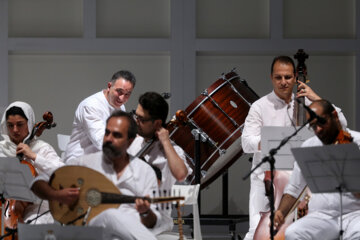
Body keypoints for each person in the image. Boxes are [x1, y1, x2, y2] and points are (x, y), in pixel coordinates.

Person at [241, 56, 348, 240]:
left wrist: (316, 98)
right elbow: (247, 142)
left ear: (295, 79)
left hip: (301, 182)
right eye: (278, 77)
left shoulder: (308, 104)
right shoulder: (259, 107)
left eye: (288, 77)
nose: (283, 82)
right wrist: (275, 141)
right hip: (267, 182)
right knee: (255, 233)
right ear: (271, 78)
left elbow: (342, 125)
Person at [32, 110, 161, 240]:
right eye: (107, 133)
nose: (109, 139)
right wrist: (56, 195)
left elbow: (151, 223)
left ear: (130, 141)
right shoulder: (84, 163)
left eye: (116, 135)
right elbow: (38, 183)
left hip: (127, 236)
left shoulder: (145, 172)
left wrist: (145, 212)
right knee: (110, 215)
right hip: (92, 231)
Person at [273, 99, 360, 240]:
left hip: (355, 214)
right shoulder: (309, 146)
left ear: (334, 116)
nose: (318, 129)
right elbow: (294, 187)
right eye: (313, 126)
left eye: (321, 122)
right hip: (322, 216)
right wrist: (281, 212)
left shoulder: (357, 141)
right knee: (294, 233)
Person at [127, 92, 192, 237]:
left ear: (156, 123)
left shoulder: (172, 151)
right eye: (135, 115)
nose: (136, 121)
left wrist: (165, 141)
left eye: (141, 119)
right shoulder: (134, 143)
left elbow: (181, 174)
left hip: (156, 225)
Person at [0, 101, 63, 224]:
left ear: (29, 124)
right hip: (5, 205)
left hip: (35, 206)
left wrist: (34, 156)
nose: (15, 130)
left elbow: (63, 172)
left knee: (35, 224)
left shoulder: (42, 148)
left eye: (20, 124)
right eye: (10, 125)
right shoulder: (1, 148)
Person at [64, 70, 136, 163]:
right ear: (109, 86)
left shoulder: (121, 106)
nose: (122, 98)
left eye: (127, 94)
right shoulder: (91, 105)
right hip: (80, 161)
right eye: (119, 91)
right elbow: (102, 142)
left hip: (104, 160)